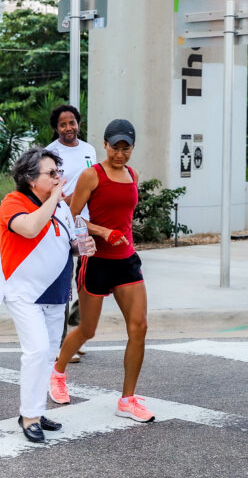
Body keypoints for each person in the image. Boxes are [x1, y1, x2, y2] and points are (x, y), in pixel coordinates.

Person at [50, 119, 154, 424]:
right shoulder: (91, 175)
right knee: (87, 330)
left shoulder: (132, 174)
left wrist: (120, 235)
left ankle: (127, 399)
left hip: (126, 260)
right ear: (104, 145)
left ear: (132, 148)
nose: (120, 154)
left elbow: (124, 215)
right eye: (115, 147)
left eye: (126, 148)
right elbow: (70, 217)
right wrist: (101, 231)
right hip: (95, 259)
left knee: (140, 328)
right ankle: (57, 372)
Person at [0, 148, 94, 442]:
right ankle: (28, 417)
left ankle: (36, 411)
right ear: (30, 179)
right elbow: (29, 229)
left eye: (58, 173)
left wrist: (81, 247)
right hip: (24, 293)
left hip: (55, 293)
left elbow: (66, 244)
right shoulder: (14, 202)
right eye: (51, 174)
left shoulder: (61, 208)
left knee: (48, 354)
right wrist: (55, 198)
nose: (58, 179)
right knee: (37, 350)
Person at [45, 104, 97, 363]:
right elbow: (47, 185)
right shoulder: (51, 152)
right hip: (63, 222)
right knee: (65, 282)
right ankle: (63, 343)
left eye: (72, 122)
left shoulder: (89, 150)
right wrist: (60, 197)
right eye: (63, 124)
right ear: (56, 128)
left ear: (78, 123)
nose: (68, 128)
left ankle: (77, 332)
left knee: (87, 280)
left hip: (87, 224)